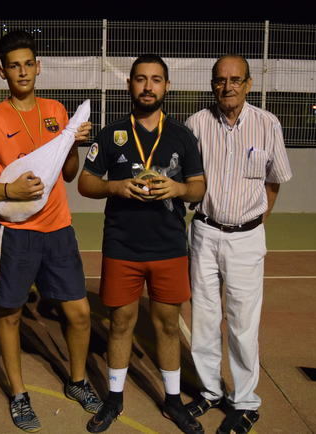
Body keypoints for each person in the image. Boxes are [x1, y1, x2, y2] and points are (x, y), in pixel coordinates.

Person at [0, 30, 101, 432]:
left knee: (80, 313)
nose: (22, 72)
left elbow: (68, 175)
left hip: (59, 229)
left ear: (39, 66)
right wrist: (6, 190)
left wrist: (72, 142)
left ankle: (77, 381)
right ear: (2, 72)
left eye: (28, 64)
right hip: (15, 234)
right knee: (10, 314)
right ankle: (19, 395)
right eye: (13, 66)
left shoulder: (56, 109)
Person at [78, 54, 206, 434]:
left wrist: (180, 187)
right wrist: (115, 186)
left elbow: (198, 187)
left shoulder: (182, 135)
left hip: (168, 247)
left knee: (167, 325)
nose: (148, 86)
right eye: (140, 79)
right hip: (122, 247)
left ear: (166, 87)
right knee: (120, 323)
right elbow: (85, 183)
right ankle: (114, 399)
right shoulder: (112, 134)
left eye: (156, 80)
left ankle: (172, 400)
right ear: (129, 85)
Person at [184, 54, 292, 434]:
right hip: (204, 232)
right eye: (219, 80)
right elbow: (186, 176)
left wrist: (254, 223)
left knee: (243, 324)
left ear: (248, 83)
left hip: (247, 237)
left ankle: (245, 401)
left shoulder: (267, 124)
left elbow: (274, 180)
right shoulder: (196, 123)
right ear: (211, 84)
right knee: (205, 319)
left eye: (235, 79)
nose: (226, 87)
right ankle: (210, 391)